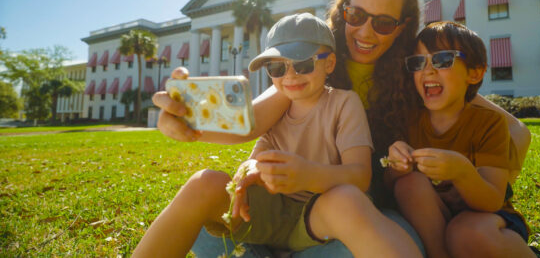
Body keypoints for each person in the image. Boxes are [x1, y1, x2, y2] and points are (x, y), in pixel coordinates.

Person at [150, 0, 530, 257]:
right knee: (202, 227)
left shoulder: (416, 71)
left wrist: (468, 182)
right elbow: (250, 120)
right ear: (343, 10)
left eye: (383, 23)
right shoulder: (312, 63)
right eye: (356, 15)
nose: (365, 32)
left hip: (357, 212)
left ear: (403, 26)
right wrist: (189, 120)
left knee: (391, 238)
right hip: (290, 207)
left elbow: (516, 131)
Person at [132, 13, 423, 258]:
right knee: (203, 183)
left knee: (346, 199)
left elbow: (360, 176)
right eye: (276, 67)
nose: (290, 75)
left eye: (304, 64)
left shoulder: (343, 103)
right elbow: (255, 160)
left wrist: (306, 175)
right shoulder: (276, 108)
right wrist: (249, 173)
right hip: (269, 215)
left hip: (314, 217)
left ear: (329, 64)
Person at [386, 21, 536, 258]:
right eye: (418, 62)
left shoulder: (489, 123)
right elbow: (389, 184)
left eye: (442, 60)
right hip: (438, 216)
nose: (428, 70)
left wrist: (463, 172)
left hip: (487, 221)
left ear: (474, 73)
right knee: (408, 183)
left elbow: (492, 200)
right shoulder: (410, 121)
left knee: (465, 233)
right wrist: (396, 165)